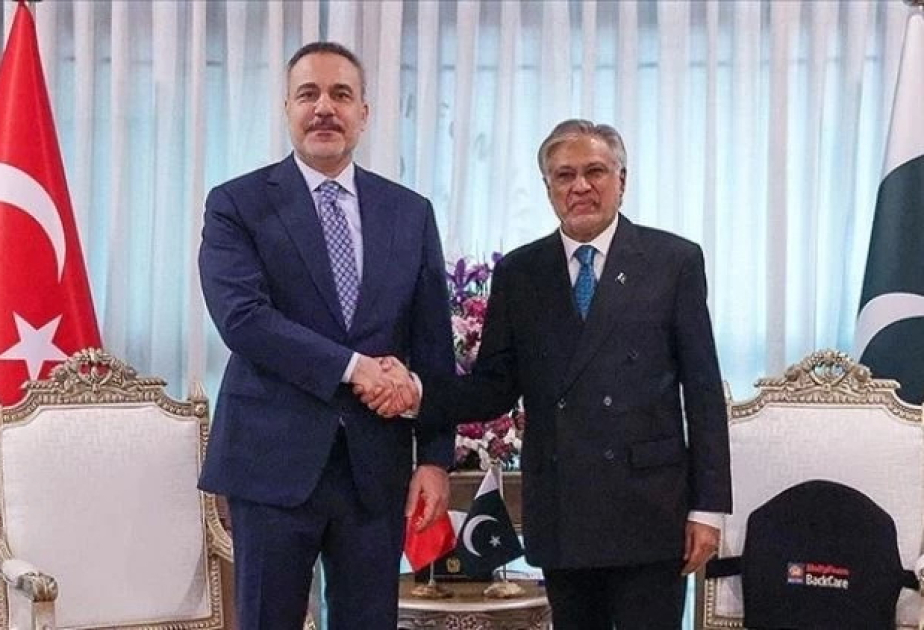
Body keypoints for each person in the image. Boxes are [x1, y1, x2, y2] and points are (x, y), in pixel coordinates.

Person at [367, 119, 732, 629]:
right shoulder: (521, 272)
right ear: (548, 188)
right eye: (564, 175)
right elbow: (493, 387)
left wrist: (708, 509)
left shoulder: (673, 261)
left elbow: (703, 391)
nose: (580, 186)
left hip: (650, 510)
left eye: (595, 172)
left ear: (622, 180)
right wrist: (417, 393)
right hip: (564, 508)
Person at [197, 41, 455, 630]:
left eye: (341, 94)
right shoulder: (236, 204)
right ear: (287, 108)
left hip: (375, 470)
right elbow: (242, 318)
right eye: (308, 94)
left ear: (364, 112)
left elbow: (433, 345)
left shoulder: (410, 212)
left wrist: (436, 459)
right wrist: (355, 367)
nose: (324, 108)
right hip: (271, 464)